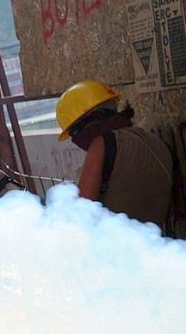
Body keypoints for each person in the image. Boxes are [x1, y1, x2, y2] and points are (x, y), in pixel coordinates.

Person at [56, 80, 173, 228]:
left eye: (74, 131)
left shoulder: (102, 144)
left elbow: (83, 212)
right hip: (153, 241)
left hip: (117, 245)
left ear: (91, 119)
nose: (76, 139)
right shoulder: (153, 141)